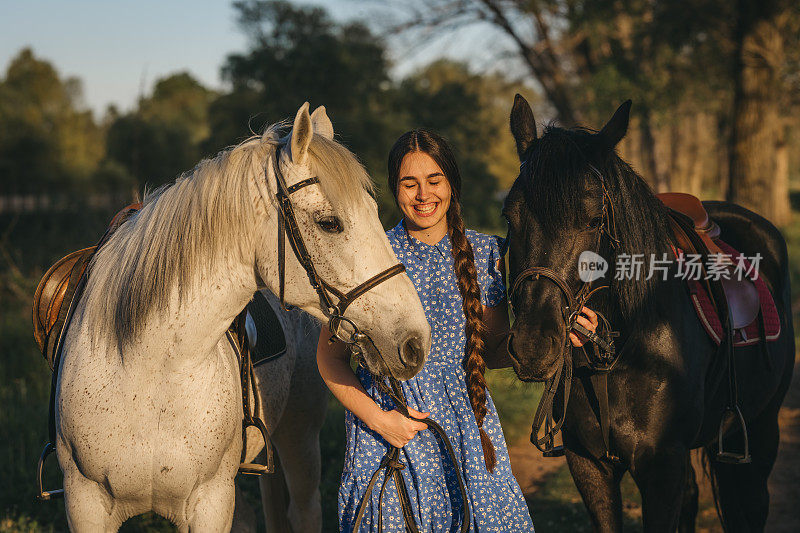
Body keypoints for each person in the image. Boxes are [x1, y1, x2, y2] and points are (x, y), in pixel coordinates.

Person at [317, 129, 598, 532]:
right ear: (394, 189)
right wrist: (380, 421)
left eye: (434, 181)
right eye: (409, 183)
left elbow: (494, 352)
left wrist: (562, 341)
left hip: (468, 430)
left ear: (452, 184)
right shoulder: (368, 256)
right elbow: (329, 359)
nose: (423, 195)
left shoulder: (487, 255)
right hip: (390, 437)